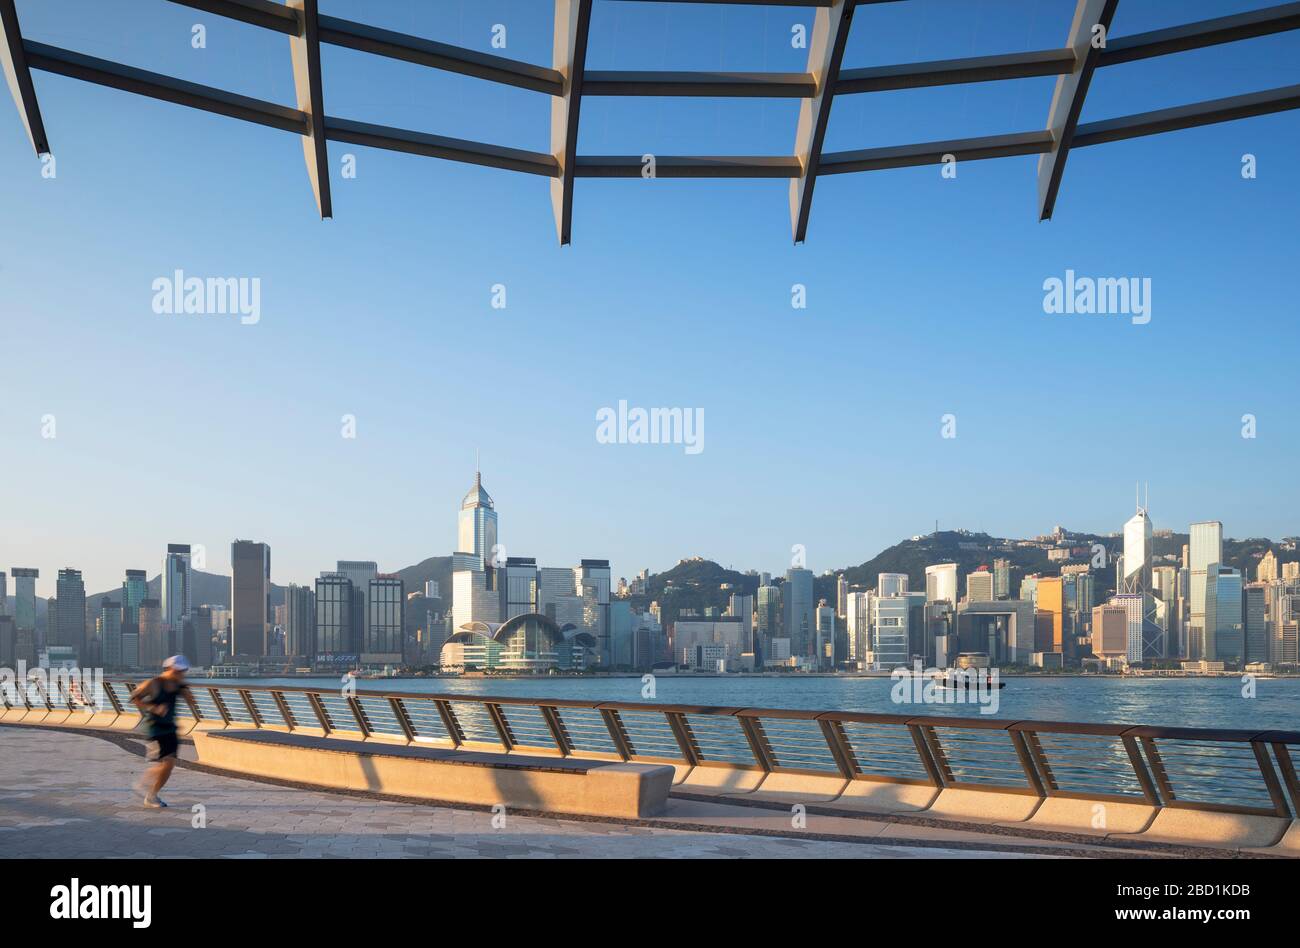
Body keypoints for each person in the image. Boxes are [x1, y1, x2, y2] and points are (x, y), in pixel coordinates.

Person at [130, 655, 191, 808]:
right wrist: (154, 708)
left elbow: (192, 701)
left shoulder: (179, 685)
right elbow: (134, 698)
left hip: (170, 727)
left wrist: (184, 688)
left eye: (183, 671)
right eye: (178, 671)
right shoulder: (154, 683)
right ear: (169, 668)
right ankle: (147, 790)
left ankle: (149, 792)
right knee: (167, 762)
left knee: (168, 765)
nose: (181, 673)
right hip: (154, 728)